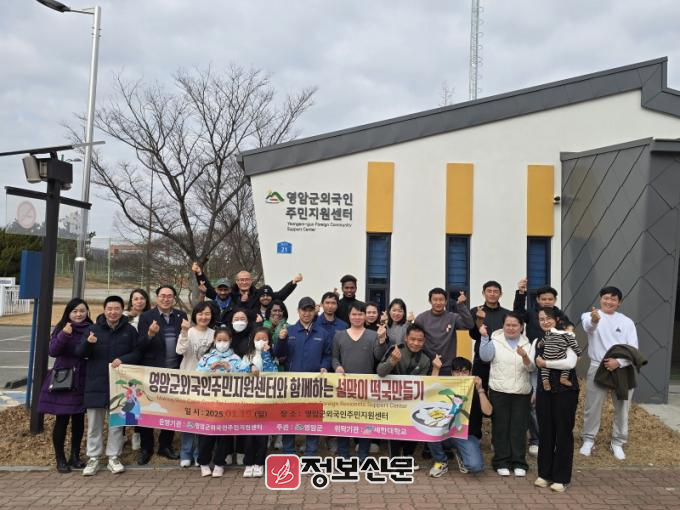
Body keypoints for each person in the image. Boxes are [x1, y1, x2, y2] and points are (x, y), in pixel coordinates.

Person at [75, 296, 141, 476]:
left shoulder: (129, 330)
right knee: (94, 424)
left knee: (117, 424)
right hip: (95, 383)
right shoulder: (93, 329)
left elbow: (138, 352)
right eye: (109, 308)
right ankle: (93, 457)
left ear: (122, 310)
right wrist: (88, 343)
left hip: (120, 385)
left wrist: (124, 359)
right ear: (104, 310)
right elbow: (80, 352)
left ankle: (114, 457)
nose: (113, 312)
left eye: (117, 308)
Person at [579, 286, 642, 461]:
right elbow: (589, 327)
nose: (609, 301)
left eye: (613, 299)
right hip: (598, 366)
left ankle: (618, 442)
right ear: (600, 299)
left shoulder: (626, 322)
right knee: (592, 406)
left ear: (619, 303)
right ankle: (588, 439)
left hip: (622, 369)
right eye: (606, 298)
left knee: (622, 407)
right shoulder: (589, 316)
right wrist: (594, 320)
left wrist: (619, 362)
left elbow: (633, 348)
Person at [38, 298, 93, 473]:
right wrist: (64, 334)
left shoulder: (91, 328)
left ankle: (75, 456)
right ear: (68, 313)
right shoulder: (62, 327)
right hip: (64, 380)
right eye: (75, 311)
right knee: (62, 420)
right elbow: (53, 351)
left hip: (83, 379)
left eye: (82, 311)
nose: (79, 314)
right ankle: (60, 458)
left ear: (87, 312)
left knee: (79, 420)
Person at [136, 285, 188, 465]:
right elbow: (140, 346)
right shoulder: (146, 316)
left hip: (174, 371)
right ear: (157, 297)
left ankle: (165, 446)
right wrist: (150, 334)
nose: (166, 299)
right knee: (147, 411)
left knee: (171, 411)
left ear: (174, 298)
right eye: (162, 296)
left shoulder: (181, 316)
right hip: (151, 372)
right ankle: (146, 448)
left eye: (169, 296)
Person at [275, 296, 332, 456]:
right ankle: (288, 452)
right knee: (289, 418)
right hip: (291, 384)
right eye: (303, 310)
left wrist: (324, 366)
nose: (307, 313)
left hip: (314, 384)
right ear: (298, 311)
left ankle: (310, 453)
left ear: (314, 311)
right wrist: (281, 340)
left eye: (310, 310)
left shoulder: (323, 333)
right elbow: (278, 354)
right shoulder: (289, 330)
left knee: (312, 418)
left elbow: (327, 355)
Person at [376, 323, 441, 464]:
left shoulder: (426, 359)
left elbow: (426, 385)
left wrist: (436, 370)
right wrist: (392, 362)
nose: (416, 343)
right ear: (406, 338)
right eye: (412, 339)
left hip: (413, 400)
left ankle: (408, 455)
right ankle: (394, 458)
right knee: (394, 428)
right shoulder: (395, 349)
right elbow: (380, 372)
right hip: (393, 399)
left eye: (420, 340)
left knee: (415, 423)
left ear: (424, 341)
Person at [532, 307, 580, 493]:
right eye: (541, 319)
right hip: (544, 390)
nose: (544, 322)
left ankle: (562, 477)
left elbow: (570, 362)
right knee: (546, 432)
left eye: (548, 318)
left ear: (557, 319)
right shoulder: (539, 340)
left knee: (563, 432)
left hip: (565, 391)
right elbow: (532, 364)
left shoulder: (568, 336)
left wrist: (546, 363)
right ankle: (545, 474)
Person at [479, 313, 533, 477]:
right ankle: (501, 461)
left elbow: (531, 368)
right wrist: (484, 338)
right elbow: (485, 357)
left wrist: (524, 356)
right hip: (499, 390)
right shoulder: (495, 341)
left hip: (521, 391)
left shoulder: (528, 344)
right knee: (500, 428)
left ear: (521, 327)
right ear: (503, 326)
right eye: (507, 325)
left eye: (514, 325)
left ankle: (519, 462)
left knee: (519, 428)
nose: (510, 328)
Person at [333, 302, 389, 461]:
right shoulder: (339, 335)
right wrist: (337, 367)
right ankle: (343, 454)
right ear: (349, 316)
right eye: (354, 314)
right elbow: (334, 357)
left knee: (365, 421)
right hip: (344, 386)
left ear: (365, 316)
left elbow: (379, 356)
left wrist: (382, 339)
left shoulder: (372, 335)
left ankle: (363, 454)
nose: (357, 317)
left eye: (360, 314)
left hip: (366, 387)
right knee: (343, 420)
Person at [196, 325, 250, 477]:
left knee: (224, 434)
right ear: (214, 341)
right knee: (206, 434)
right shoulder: (206, 358)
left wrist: (230, 369)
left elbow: (244, 376)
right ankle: (204, 463)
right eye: (219, 340)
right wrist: (209, 370)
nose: (222, 343)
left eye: (225, 340)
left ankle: (219, 463)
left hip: (227, 404)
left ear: (230, 341)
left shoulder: (236, 359)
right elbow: (196, 375)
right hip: (208, 403)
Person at [426, 357, 492, 477]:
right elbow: (430, 394)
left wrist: (480, 389)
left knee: (475, 466)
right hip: (445, 432)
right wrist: (436, 369)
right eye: (457, 371)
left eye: (465, 372)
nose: (461, 375)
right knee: (428, 428)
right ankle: (441, 461)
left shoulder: (475, 388)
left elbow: (488, 412)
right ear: (452, 373)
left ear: (470, 373)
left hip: (467, 435)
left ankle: (462, 455)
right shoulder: (446, 386)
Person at [176, 302, 215, 467]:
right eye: (200, 314)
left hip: (207, 383)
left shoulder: (214, 334)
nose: (203, 317)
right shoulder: (189, 331)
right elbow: (180, 350)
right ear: (195, 315)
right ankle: (186, 453)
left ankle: (200, 454)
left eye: (207, 314)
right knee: (188, 418)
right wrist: (184, 332)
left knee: (203, 419)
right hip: (189, 381)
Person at [240, 327, 278, 478]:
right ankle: (248, 463)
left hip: (265, 401)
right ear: (253, 340)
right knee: (249, 434)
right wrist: (250, 367)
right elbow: (239, 370)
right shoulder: (247, 355)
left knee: (262, 434)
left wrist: (266, 353)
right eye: (258, 339)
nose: (261, 341)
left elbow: (273, 372)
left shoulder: (272, 355)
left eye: (264, 339)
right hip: (249, 400)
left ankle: (259, 463)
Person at [192, 262, 302, 313]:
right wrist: (199, 273)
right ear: (237, 281)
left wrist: (293, 283)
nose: (244, 282)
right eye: (241, 280)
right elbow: (210, 291)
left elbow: (279, 296)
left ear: (251, 281)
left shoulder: (258, 294)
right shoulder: (229, 293)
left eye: (247, 279)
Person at [415, 287, 474, 375]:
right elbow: (415, 339)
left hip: (448, 366)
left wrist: (461, 305)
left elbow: (470, 325)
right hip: (427, 366)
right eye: (435, 300)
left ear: (446, 301)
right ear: (430, 301)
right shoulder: (421, 319)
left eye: (441, 300)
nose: (438, 302)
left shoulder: (453, 317)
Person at [469, 281, 510, 391]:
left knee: (500, 392)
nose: (492, 294)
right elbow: (473, 335)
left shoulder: (507, 314)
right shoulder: (475, 311)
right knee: (479, 391)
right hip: (480, 360)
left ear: (500, 294)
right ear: (483, 293)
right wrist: (479, 320)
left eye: (495, 291)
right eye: (489, 291)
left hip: (501, 360)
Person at [123, 288, 150, 451]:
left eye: (142, 298)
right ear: (131, 301)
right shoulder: (124, 317)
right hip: (126, 362)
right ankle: (121, 433)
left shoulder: (150, 317)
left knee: (140, 400)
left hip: (144, 362)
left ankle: (137, 434)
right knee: (124, 399)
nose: (139, 301)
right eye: (136, 299)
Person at [513, 279, 573, 344]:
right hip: (534, 348)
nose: (547, 302)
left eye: (550, 299)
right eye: (544, 299)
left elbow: (569, 327)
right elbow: (518, 314)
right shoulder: (531, 313)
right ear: (537, 300)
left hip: (555, 348)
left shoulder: (560, 314)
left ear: (555, 300)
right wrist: (521, 293)